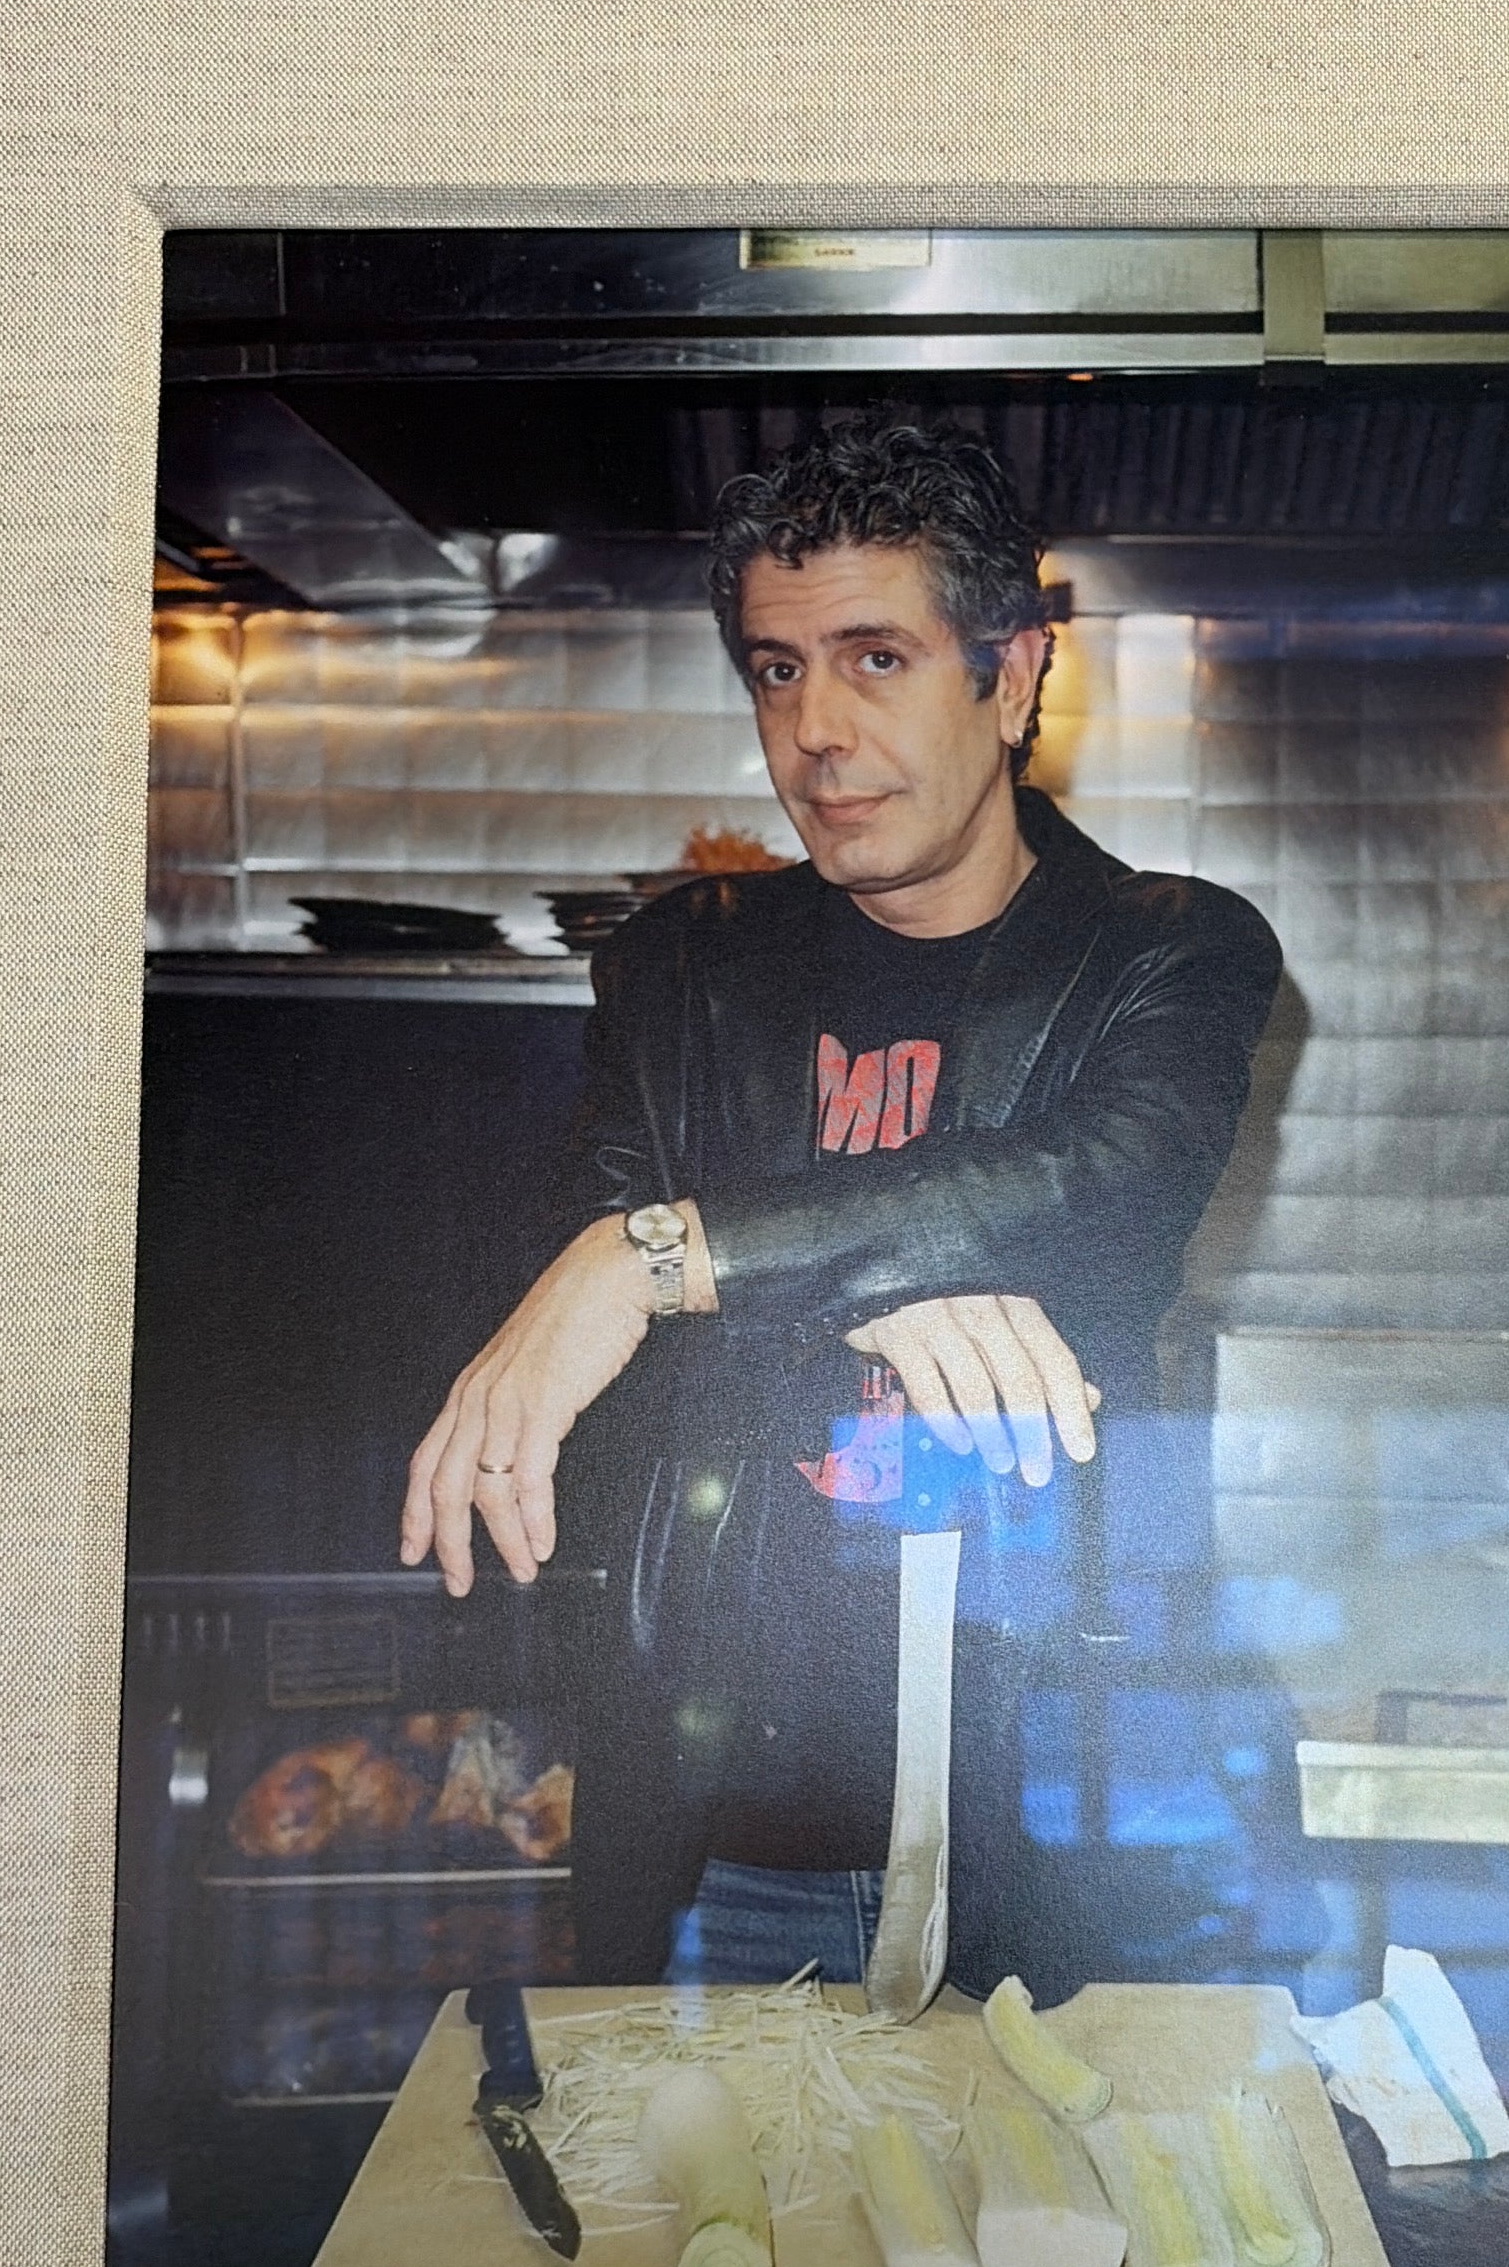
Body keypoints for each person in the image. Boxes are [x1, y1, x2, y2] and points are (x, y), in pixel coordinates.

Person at [398, 416, 1282, 1992]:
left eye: (876, 658)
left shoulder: (1171, 952)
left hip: (1054, 1830)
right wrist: (909, 1265)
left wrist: (660, 1256)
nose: (813, 730)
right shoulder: (678, 972)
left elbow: (1099, 1193)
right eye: (775, 669)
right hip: (711, 1843)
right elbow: (611, 1368)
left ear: (1011, 680)